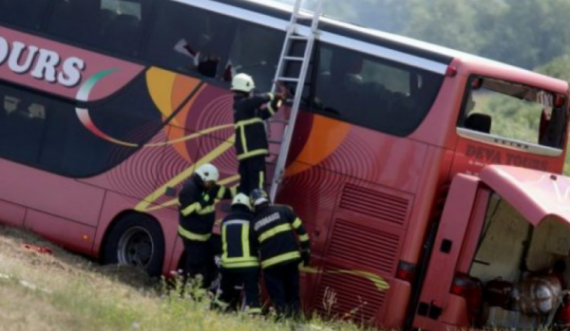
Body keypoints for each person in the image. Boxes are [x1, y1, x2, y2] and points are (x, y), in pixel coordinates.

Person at [249, 188, 310, 319]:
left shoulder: (253, 225)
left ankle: (282, 322)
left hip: (271, 268)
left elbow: (253, 249)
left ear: (253, 205)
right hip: (290, 261)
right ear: (267, 199)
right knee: (293, 295)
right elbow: (302, 231)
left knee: (278, 298)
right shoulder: (284, 210)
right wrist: (305, 251)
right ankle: (295, 323)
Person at [178, 163, 236, 291]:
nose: (211, 185)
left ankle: (192, 289)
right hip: (192, 236)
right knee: (197, 265)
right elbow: (186, 211)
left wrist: (244, 188)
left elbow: (225, 192)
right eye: (210, 182)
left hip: (202, 236)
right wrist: (206, 200)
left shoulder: (206, 186)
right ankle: (192, 292)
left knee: (202, 262)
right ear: (203, 177)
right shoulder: (190, 188)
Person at [231, 73, 288, 194]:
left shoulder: (248, 109)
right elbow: (257, 99)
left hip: (249, 153)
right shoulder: (243, 104)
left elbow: (268, 112)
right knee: (258, 184)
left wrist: (279, 100)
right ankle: (259, 207)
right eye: (251, 90)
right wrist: (274, 94)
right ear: (247, 89)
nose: (253, 92)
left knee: (247, 185)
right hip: (252, 151)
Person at [216, 193, 261, 315]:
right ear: (248, 206)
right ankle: (253, 315)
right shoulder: (252, 220)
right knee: (252, 293)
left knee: (225, 291)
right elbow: (256, 240)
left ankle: (220, 313)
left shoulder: (224, 221)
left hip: (228, 265)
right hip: (248, 265)